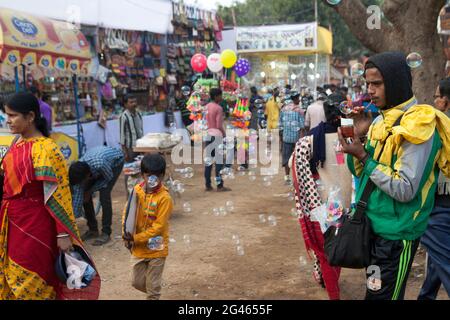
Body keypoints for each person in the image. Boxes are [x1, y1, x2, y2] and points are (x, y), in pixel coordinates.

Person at [338, 51, 450, 300]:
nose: (370, 91)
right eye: (367, 84)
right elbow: (360, 174)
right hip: (372, 230)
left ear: (396, 81)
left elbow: (405, 188)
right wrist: (357, 141)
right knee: (376, 293)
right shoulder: (379, 122)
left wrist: (365, 158)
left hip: (396, 237)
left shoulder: (418, 124)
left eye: (377, 83)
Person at [0, 93, 87, 299]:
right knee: (10, 277)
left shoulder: (47, 149)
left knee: (31, 279)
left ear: (30, 117)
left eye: (12, 116)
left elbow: (59, 194)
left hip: (35, 225)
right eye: (6, 115)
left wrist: (63, 233)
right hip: (11, 222)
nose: (8, 120)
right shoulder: (16, 144)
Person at [291, 93, 351, 300]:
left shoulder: (308, 141)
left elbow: (302, 177)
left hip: (323, 203)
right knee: (338, 249)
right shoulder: (353, 137)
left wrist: (313, 207)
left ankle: (333, 294)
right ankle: (327, 279)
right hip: (347, 202)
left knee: (327, 253)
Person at [122, 153, 173, 300]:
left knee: (153, 291)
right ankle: (153, 289)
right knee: (136, 282)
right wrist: (126, 235)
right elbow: (127, 214)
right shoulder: (137, 191)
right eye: (148, 175)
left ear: (162, 176)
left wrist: (135, 238)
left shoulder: (165, 198)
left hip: (157, 248)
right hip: (138, 249)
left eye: (156, 176)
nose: (152, 180)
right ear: (143, 175)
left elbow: (159, 227)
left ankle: (153, 293)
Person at [418, 78, 450, 300]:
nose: (434, 100)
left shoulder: (438, 128)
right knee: (438, 257)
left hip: (438, 205)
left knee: (445, 260)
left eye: (437, 96)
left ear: (445, 102)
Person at [69, 146, 125, 246]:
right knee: (85, 195)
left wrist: (90, 191)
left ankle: (106, 233)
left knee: (104, 196)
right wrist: (70, 221)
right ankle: (93, 230)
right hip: (95, 166)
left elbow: (108, 178)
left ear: (87, 176)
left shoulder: (99, 164)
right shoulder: (77, 173)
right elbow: (78, 200)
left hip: (115, 163)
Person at [204, 88, 230, 192]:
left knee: (208, 161)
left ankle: (208, 185)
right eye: (220, 95)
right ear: (216, 96)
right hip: (217, 136)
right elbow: (219, 125)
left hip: (208, 135)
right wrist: (224, 134)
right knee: (219, 162)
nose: (221, 97)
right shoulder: (218, 108)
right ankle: (219, 185)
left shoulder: (206, 107)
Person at [120, 94, 144, 197]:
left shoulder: (138, 114)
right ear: (125, 104)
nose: (134, 104)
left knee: (139, 168)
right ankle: (129, 194)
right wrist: (124, 151)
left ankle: (139, 191)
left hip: (140, 146)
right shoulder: (124, 116)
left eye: (135, 101)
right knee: (129, 170)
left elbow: (141, 130)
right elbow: (122, 135)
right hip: (130, 148)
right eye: (131, 102)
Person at [279, 91, 304, 185]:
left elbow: (280, 124)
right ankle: (297, 178)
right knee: (297, 158)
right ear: (295, 99)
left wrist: (282, 136)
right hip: (296, 139)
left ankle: (287, 177)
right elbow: (302, 126)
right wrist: (301, 139)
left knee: (286, 157)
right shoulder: (299, 110)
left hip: (286, 138)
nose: (299, 100)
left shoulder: (283, 109)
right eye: (298, 98)